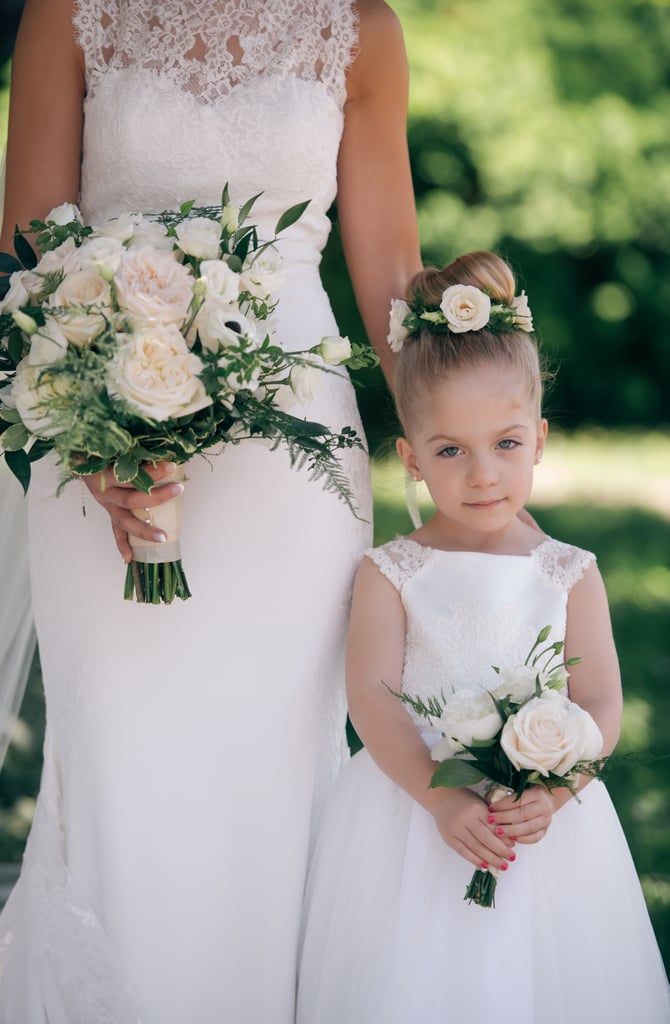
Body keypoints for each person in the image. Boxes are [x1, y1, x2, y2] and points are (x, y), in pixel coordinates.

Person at [0, 1, 422, 1020]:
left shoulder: (361, 26)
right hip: (98, 438)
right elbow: (23, 255)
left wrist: (471, 454)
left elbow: (393, 282)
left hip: (295, 466)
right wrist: (88, 441)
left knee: (272, 777)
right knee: (122, 775)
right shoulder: (70, 12)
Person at [297, 251, 670, 1023]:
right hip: (414, 811)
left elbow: (599, 701)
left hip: (538, 825)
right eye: (449, 452)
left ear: (538, 439)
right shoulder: (392, 570)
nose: (482, 475)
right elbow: (369, 699)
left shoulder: (567, 570)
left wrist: (558, 789)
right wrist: (438, 803)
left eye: (504, 444)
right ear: (410, 458)